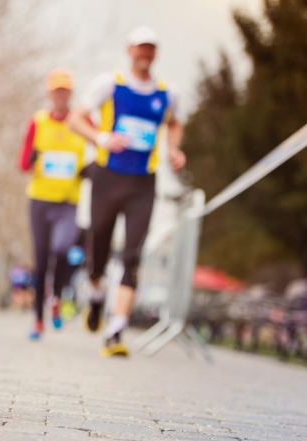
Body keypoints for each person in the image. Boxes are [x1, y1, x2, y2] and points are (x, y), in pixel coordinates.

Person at [68, 26, 187, 357]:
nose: (145, 53)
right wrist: (102, 138)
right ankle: (95, 296)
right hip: (107, 177)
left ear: (155, 53)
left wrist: (173, 149)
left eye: (151, 48)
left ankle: (116, 330)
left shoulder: (167, 93)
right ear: (129, 50)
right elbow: (76, 119)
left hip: (143, 182)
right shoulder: (111, 84)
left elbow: (175, 123)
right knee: (98, 254)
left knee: (133, 254)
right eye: (140, 48)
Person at [18, 68, 87, 340]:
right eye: (56, 90)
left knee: (62, 249)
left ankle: (56, 297)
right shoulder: (37, 122)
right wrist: (34, 157)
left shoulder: (83, 121)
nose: (60, 95)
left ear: (70, 94)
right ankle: (37, 320)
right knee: (41, 258)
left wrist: (88, 168)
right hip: (40, 200)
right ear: (50, 93)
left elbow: (99, 146)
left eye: (65, 91)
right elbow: (22, 164)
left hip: (68, 202)